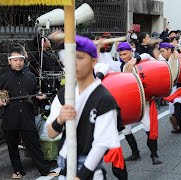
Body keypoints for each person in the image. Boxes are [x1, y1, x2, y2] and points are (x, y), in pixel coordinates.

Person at [46, 35, 127, 179]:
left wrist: (80, 176)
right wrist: (60, 119)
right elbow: (51, 134)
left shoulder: (104, 99)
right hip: (65, 168)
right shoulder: (63, 94)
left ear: (94, 61)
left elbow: (101, 145)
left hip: (89, 171)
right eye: (70, 58)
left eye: (80, 58)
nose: (74, 63)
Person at [0, 46, 58, 179]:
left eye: (20, 59)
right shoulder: (3, 77)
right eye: (15, 60)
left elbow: (36, 90)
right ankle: (17, 170)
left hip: (27, 115)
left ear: (24, 60)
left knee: (34, 143)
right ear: (9, 61)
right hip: (10, 116)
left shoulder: (30, 76)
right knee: (12, 146)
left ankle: (44, 170)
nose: (18, 62)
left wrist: (39, 95)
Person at [159, 42, 181, 133]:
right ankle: (178, 124)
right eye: (161, 51)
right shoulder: (167, 59)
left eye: (163, 51)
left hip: (180, 85)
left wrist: (175, 50)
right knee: (172, 109)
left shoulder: (174, 57)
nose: (162, 53)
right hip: (173, 86)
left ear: (169, 50)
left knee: (176, 103)